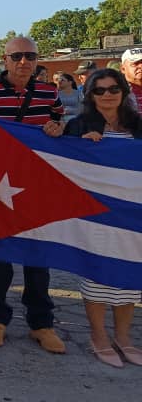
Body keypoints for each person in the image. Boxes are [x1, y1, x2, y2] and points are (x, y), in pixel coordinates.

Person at [0, 36, 66, 354]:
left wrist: (57, 127)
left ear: (37, 61)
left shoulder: (51, 93)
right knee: (0, 256)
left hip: (37, 189)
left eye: (30, 56)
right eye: (17, 56)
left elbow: (60, 125)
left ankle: (41, 323)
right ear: (4, 61)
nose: (24, 62)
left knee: (38, 259)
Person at [44, 68, 142, 368]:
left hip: (132, 214)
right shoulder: (80, 125)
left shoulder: (138, 127)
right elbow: (60, 157)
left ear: (124, 91)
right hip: (95, 215)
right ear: (91, 95)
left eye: (113, 88)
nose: (107, 95)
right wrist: (76, 142)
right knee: (97, 274)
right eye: (99, 90)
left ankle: (124, 338)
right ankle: (98, 336)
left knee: (129, 276)